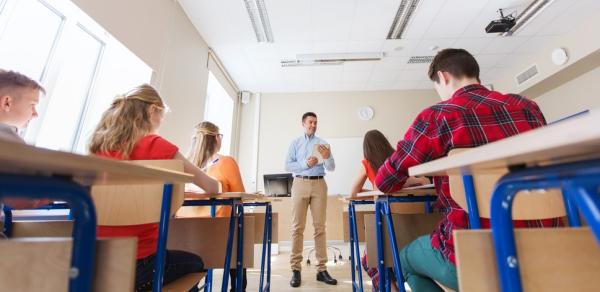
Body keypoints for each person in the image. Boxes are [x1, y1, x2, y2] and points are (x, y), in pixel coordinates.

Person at [375, 48, 562, 292]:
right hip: (547, 246)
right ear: (477, 75)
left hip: (474, 253)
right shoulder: (527, 107)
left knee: (403, 260)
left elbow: (385, 180)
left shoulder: (437, 116)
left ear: (442, 77)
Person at [89, 84, 219, 292]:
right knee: (197, 263)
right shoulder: (157, 145)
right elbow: (212, 187)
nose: (159, 124)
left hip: (96, 264)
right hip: (143, 268)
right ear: (152, 110)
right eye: (161, 117)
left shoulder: (97, 148)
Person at [349, 129, 429, 291]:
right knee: (386, 257)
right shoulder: (397, 160)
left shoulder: (368, 163)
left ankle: (391, 288)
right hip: (415, 226)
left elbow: (353, 193)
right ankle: (391, 286)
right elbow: (422, 180)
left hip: (386, 225)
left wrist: (373, 191)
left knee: (369, 259)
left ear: (367, 148)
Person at [182, 120, 247, 292]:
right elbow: (240, 195)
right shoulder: (226, 162)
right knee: (239, 233)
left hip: (185, 237)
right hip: (219, 236)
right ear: (217, 138)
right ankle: (238, 288)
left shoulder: (184, 165)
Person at [285, 112, 337, 288]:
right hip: (299, 183)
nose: (313, 125)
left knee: (320, 228)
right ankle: (295, 270)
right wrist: (305, 164)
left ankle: (322, 270)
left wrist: (328, 156)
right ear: (303, 124)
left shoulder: (323, 144)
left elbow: (331, 167)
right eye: (310, 122)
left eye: (316, 122)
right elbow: (287, 165)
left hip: (319, 184)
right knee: (297, 227)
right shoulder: (295, 143)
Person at [0, 69, 50, 210]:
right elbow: (25, 201)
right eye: (32, 105)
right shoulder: (7, 139)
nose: (35, 114)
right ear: (7, 103)